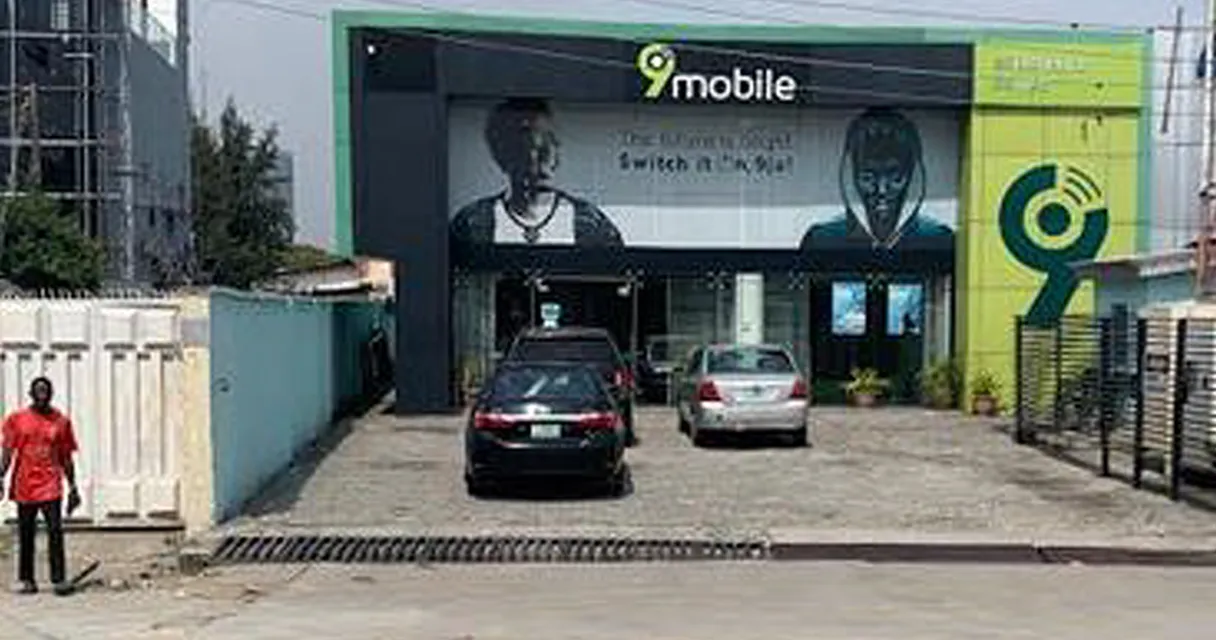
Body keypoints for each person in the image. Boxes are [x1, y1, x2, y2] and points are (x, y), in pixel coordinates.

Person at [450, 98, 623, 248]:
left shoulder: (590, 223)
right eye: (531, 149)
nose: (543, 162)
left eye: (551, 145)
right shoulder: (472, 222)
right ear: (502, 154)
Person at [800, 107, 953, 253]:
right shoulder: (822, 241)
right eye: (868, 177)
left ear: (912, 177)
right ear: (851, 176)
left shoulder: (940, 240)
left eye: (895, 177)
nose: (881, 189)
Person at [1, 377, 81, 596]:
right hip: (25, 484)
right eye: (38, 390)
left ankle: (59, 579)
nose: (42, 394)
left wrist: (73, 486)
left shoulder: (61, 422)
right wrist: (0, 476)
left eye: (46, 390)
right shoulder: (16, 420)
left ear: (51, 394)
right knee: (26, 533)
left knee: (55, 530)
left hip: (50, 483)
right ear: (31, 393)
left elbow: (66, 457)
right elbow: (8, 452)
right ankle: (27, 579)